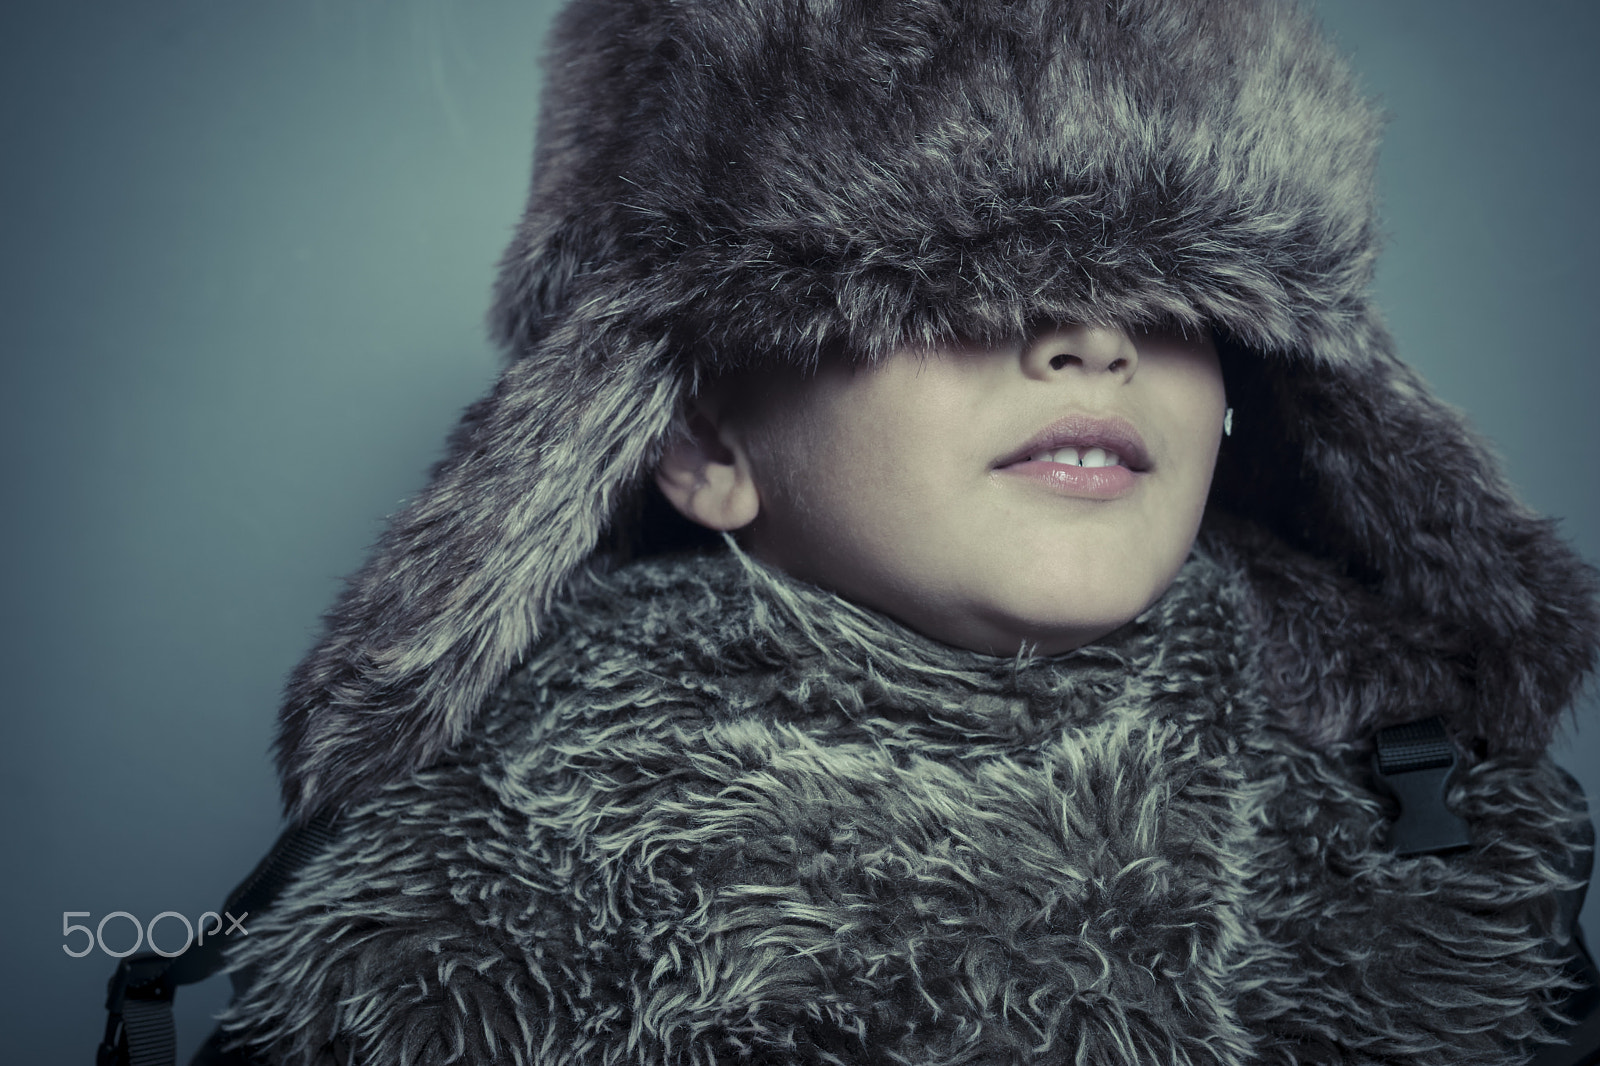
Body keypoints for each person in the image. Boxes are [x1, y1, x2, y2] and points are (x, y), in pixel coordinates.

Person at [212, 0, 1599, 1061]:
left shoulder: (1430, 828)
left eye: (1173, 297)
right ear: (698, 440)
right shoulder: (485, 913)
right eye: (967, 280)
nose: (1093, 339)